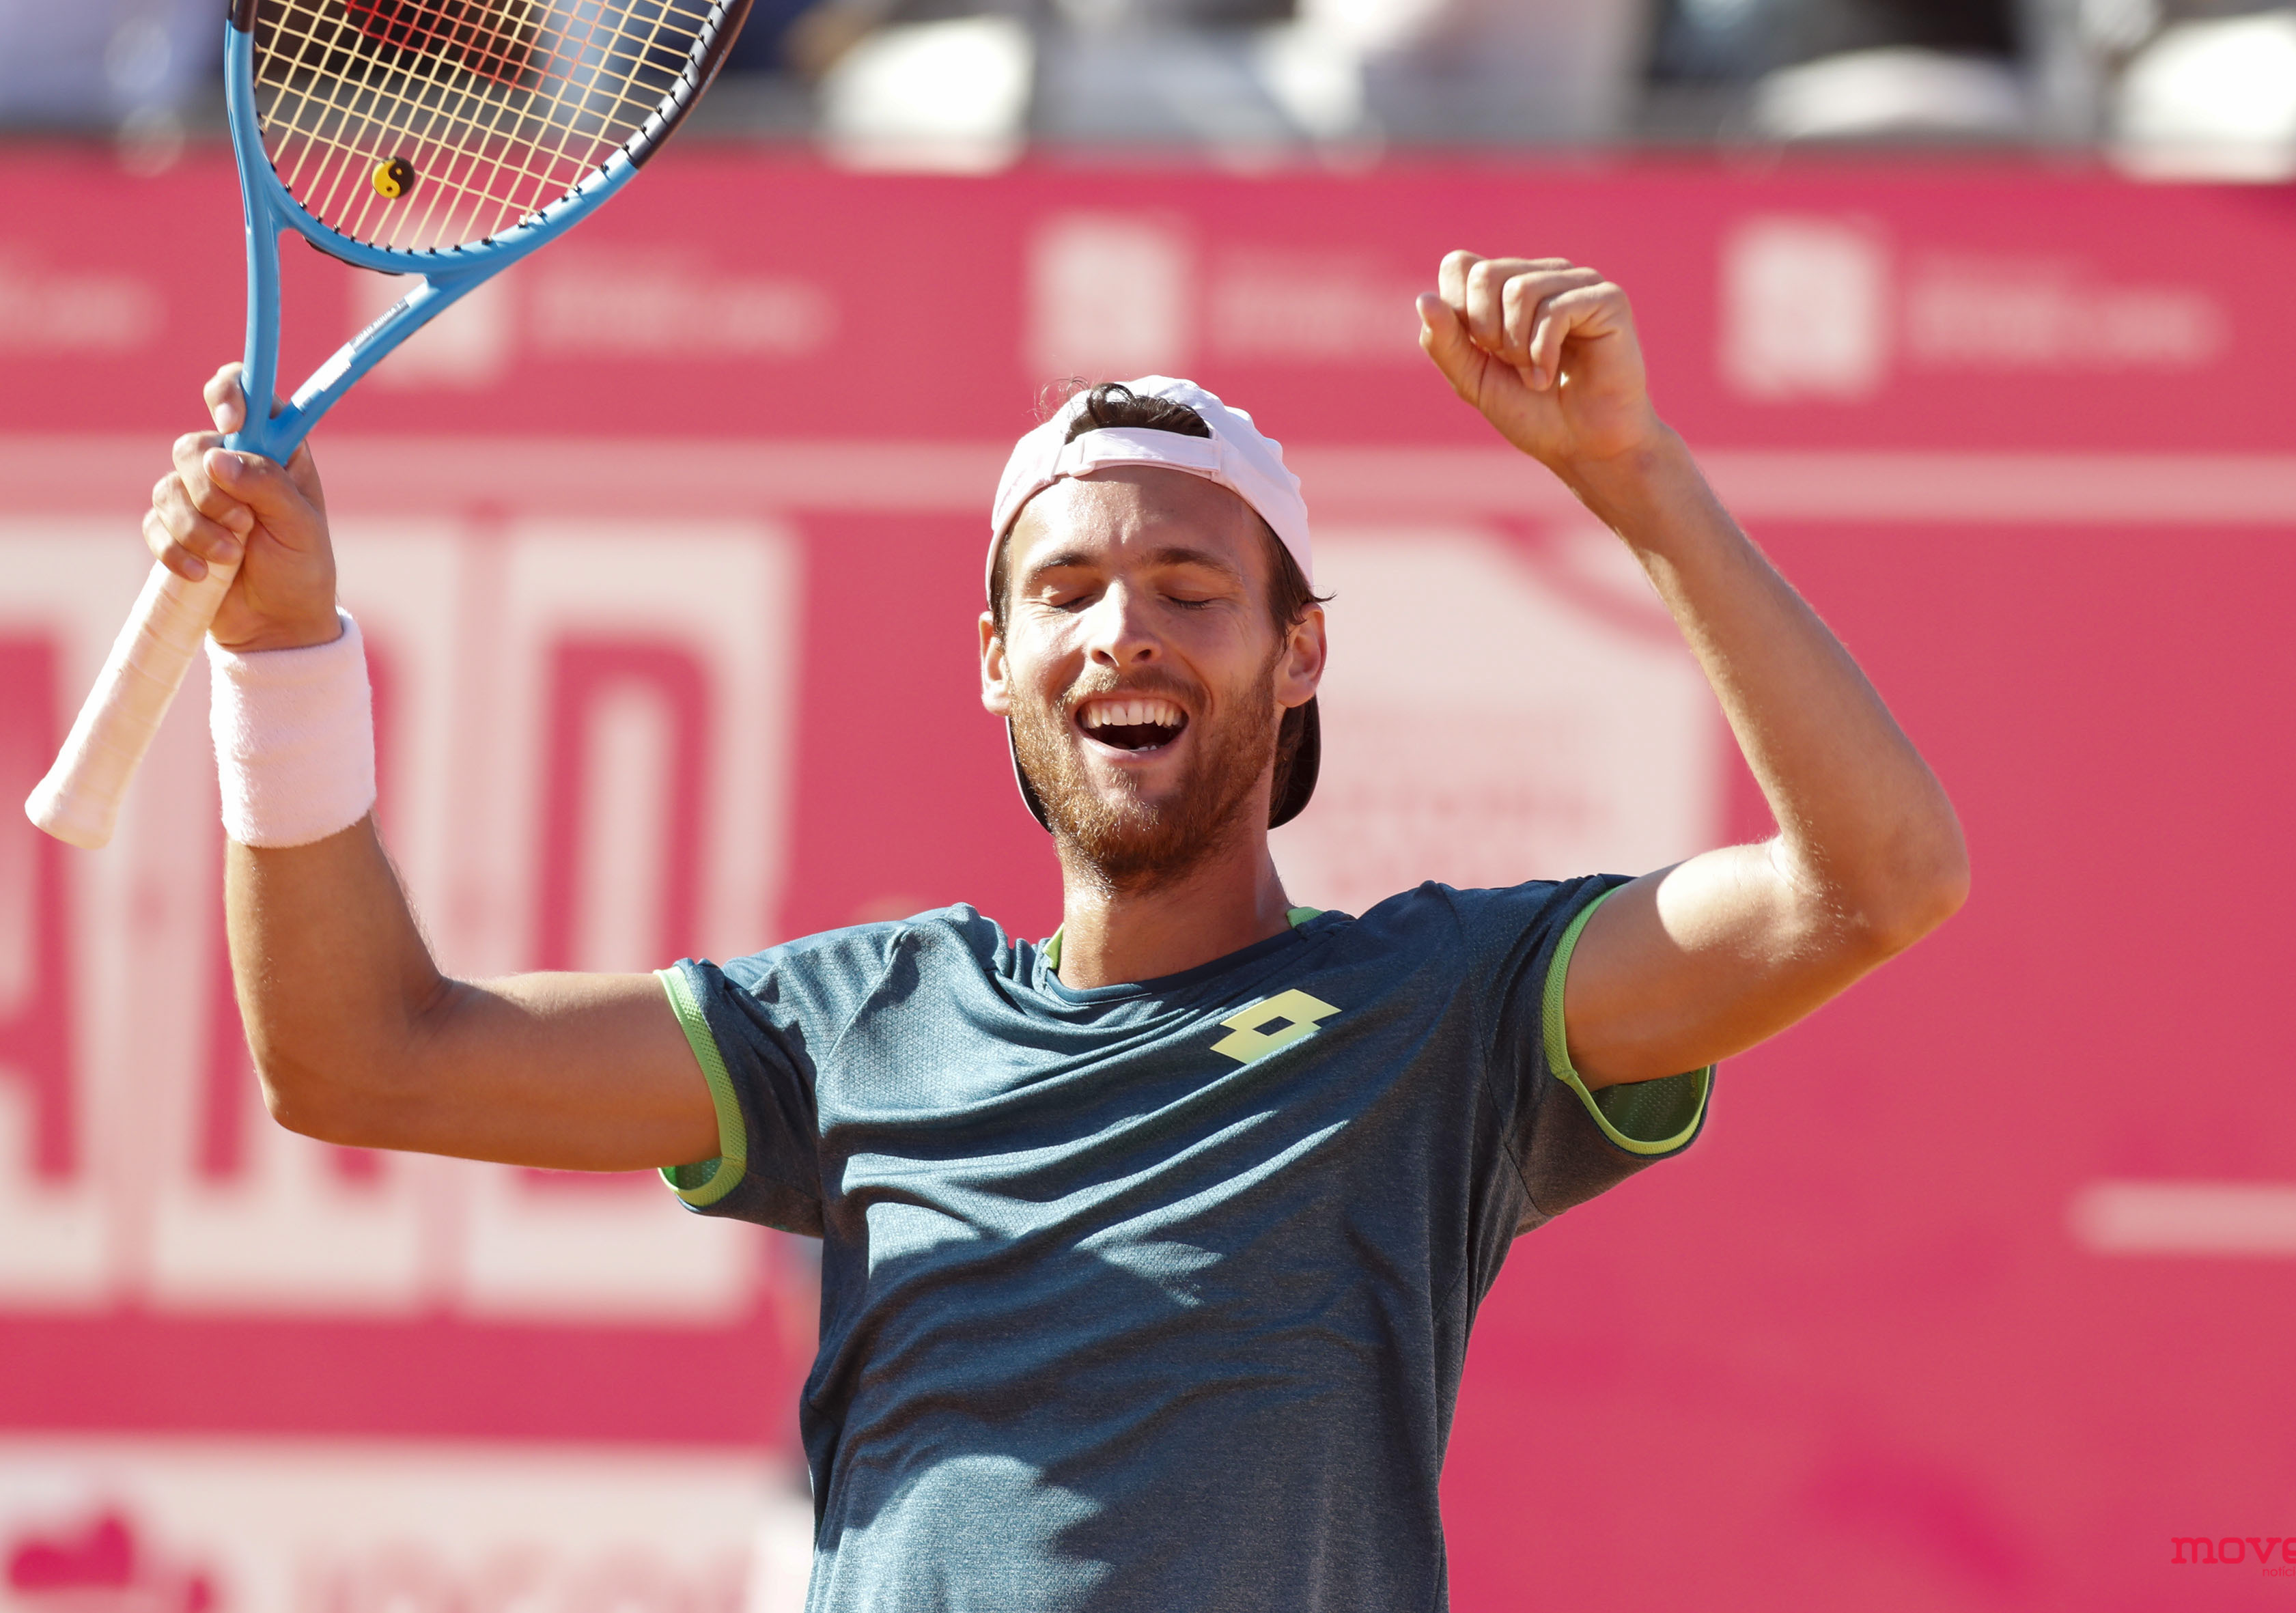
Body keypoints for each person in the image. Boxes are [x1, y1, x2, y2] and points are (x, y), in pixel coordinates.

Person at [146, 252, 1968, 1610]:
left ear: (1301, 651)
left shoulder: (1444, 1006)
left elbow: (1878, 878)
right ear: (997, 664)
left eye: (1189, 585)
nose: (1124, 630)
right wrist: (281, 648)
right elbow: (360, 1057)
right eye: (1069, 588)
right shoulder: (856, 1023)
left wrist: (1636, 477)